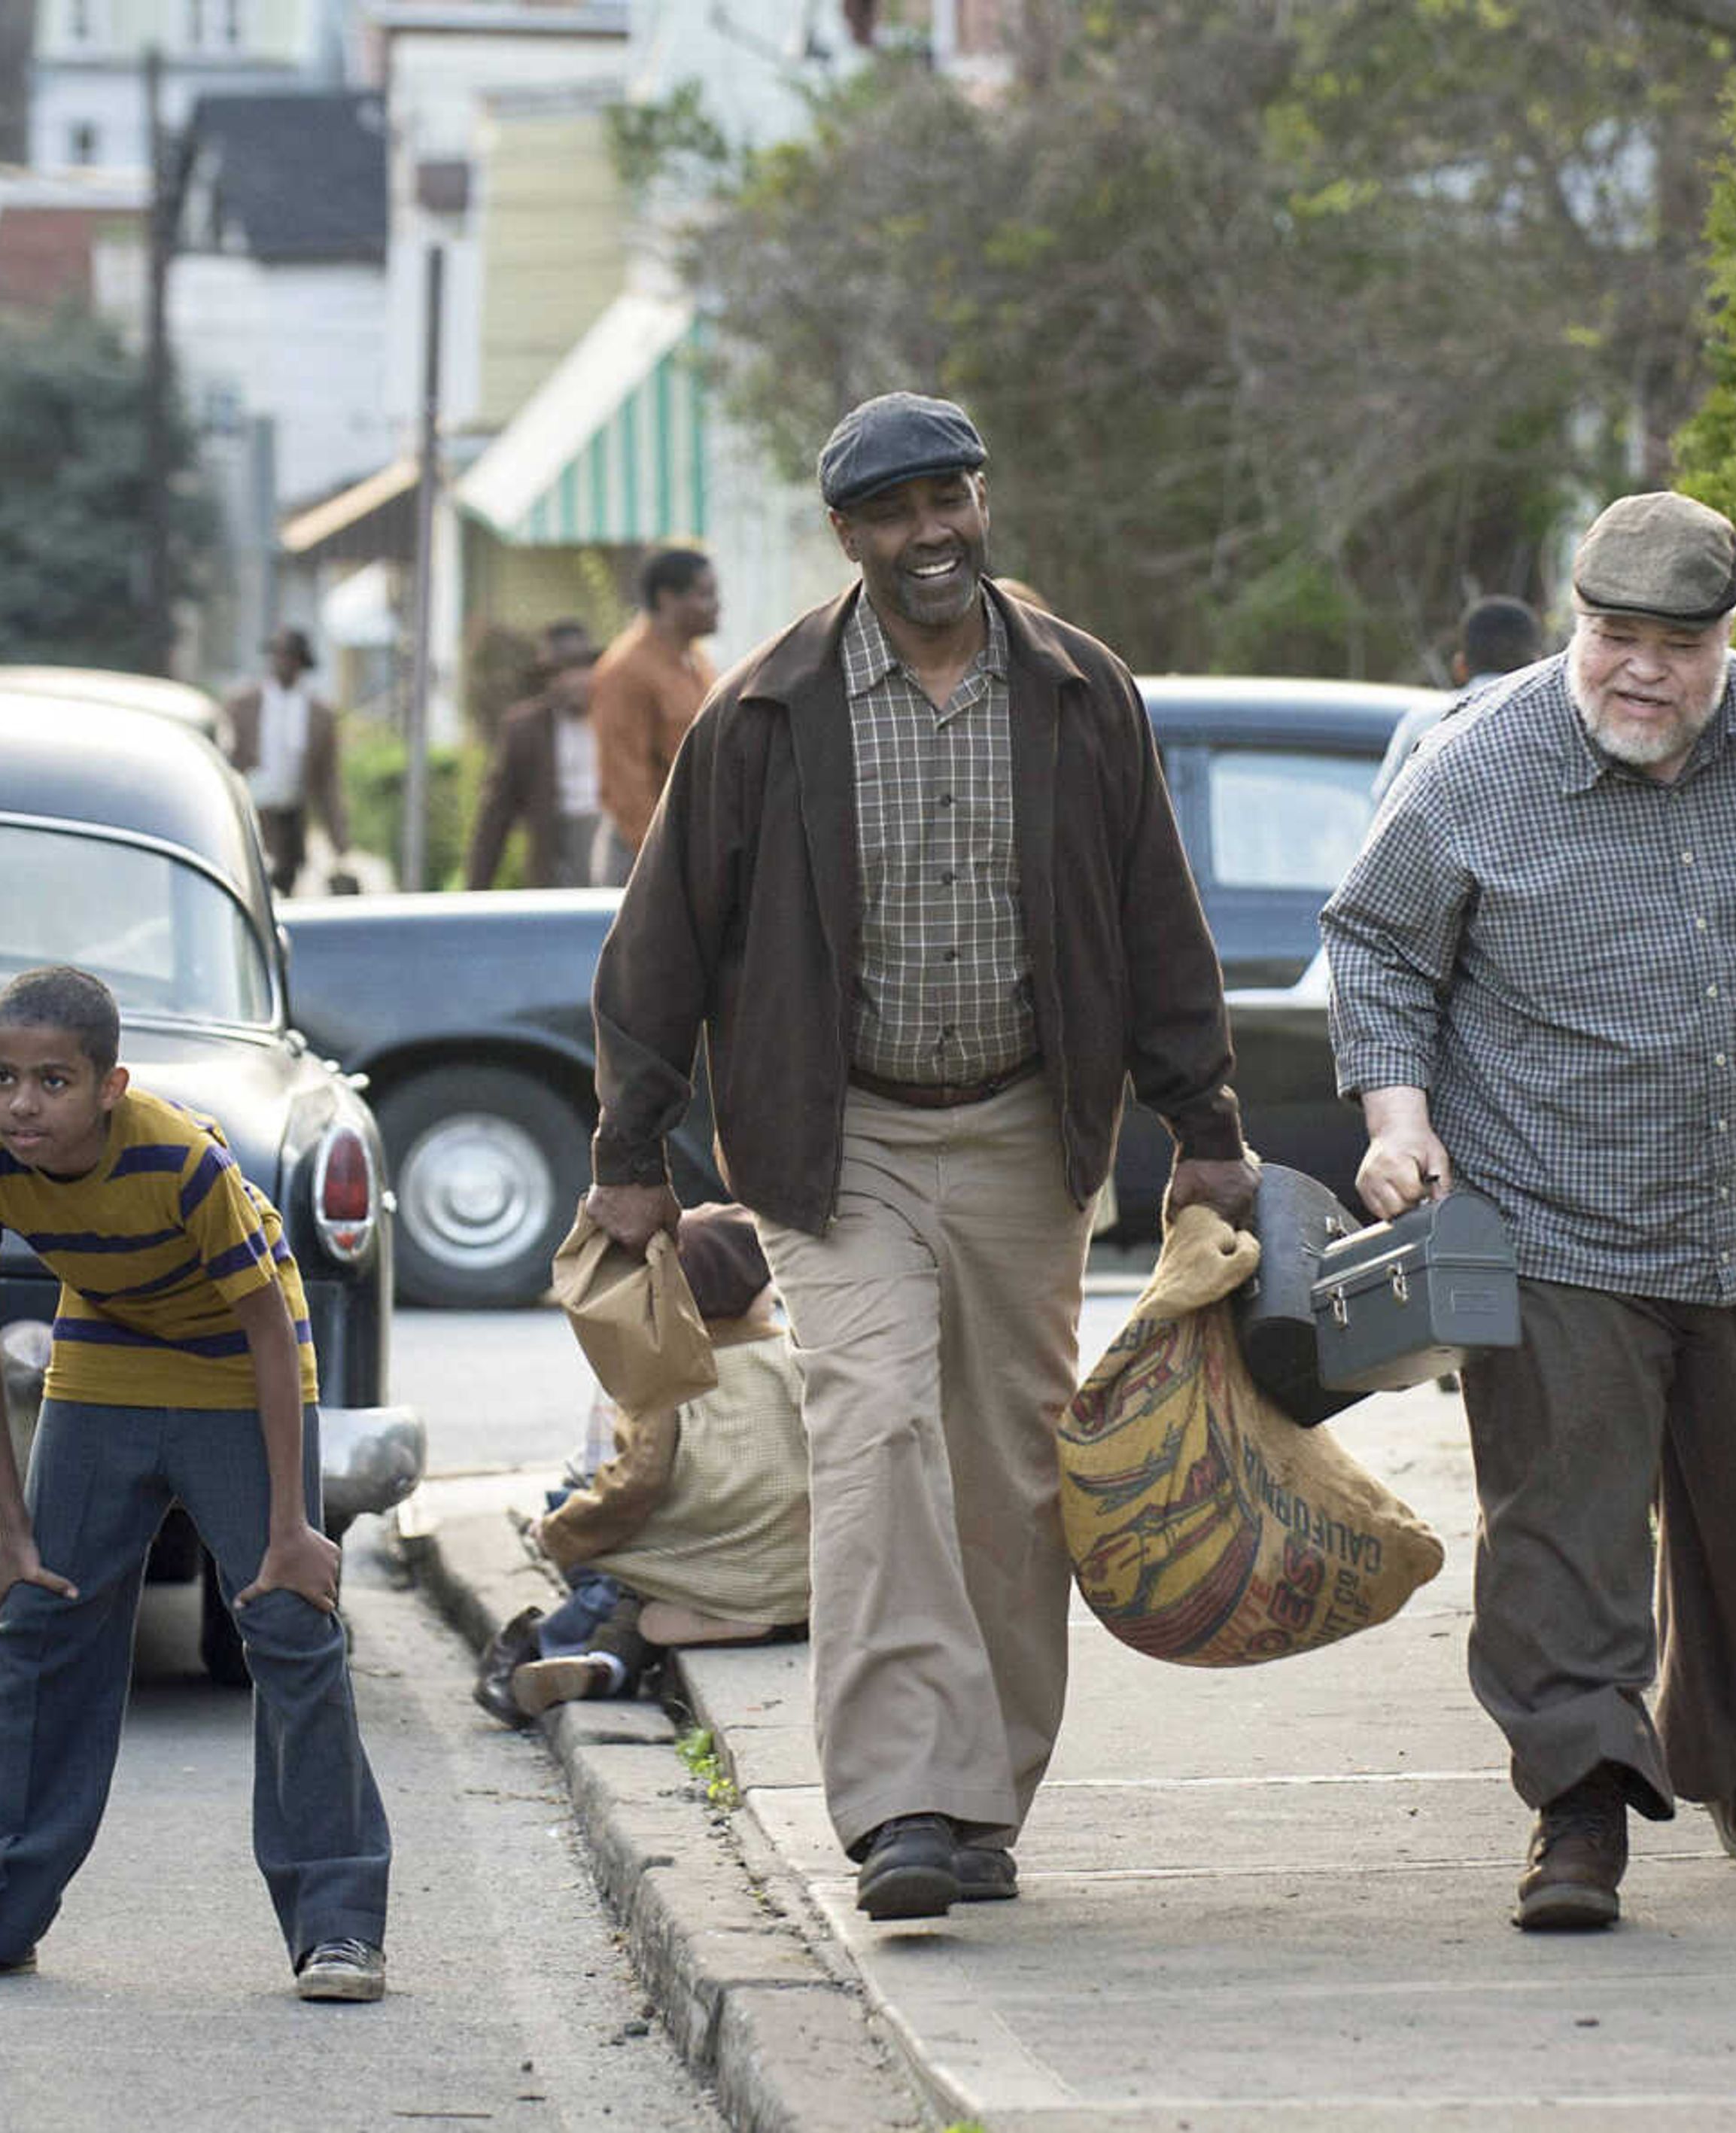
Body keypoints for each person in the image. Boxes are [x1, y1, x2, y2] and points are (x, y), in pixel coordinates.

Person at [580, 391, 1258, 1921]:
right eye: (894, 514)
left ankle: (988, 1793)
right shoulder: (766, 713)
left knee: (1013, 1467)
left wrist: (1203, 1127)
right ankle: (903, 1805)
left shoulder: (1082, 690)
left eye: (949, 498)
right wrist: (632, 1150)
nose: (930, 534)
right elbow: (660, 940)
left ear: (982, 501)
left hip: (1028, 1128)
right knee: (878, 1424)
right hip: (842, 1136)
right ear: (848, 537)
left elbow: (1158, 917)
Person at [1320, 490, 1736, 1934]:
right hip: (1555, 1222)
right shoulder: (1480, 764)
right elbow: (1377, 945)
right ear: (1576, 622)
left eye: (1675, 642)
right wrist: (1398, 1122)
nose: (1637, 668)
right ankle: (1578, 1799)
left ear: (1728, 640)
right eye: (1611, 634)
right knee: (1563, 1530)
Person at [0, 966, 391, 2001]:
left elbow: (270, 1324)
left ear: (110, 1084)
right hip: (104, 1352)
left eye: (52, 1080)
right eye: (3, 1076)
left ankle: (339, 1927)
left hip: (242, 1362)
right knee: (40, 1618)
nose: (21, 1102)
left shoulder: (180, 1160)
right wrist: (10, 1526)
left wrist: (291, 1527)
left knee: (288, 1623)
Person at [478, 1202, 812, 1721]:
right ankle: (618, 1658)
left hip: (698, 1559)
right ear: (755, 1290)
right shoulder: (795, 1359)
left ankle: (585, 1653)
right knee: (654, 1549)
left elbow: (636, 1483)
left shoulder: (665, 1376)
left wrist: (561, 1532)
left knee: (586, 1524)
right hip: (796, 1575)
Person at [587, 548, 721, 884]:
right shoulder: (626, 669)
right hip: (645, 854)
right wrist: (665, 862)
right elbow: (626, 784)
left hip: (689, 846)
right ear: (667, 599)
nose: (718, 605)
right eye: (705, 595)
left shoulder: (695, 660)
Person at [464, 619, 603, 889]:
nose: (576, 681)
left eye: (582, 669)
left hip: (614, 847)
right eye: (563, 672)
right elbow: (496, 815)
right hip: (557, 854)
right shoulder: (525, 729)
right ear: (548, 679)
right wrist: (475, 889)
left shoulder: (620, 717)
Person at [1369, 595, 1546, 802]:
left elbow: (1384, 802)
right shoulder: (1556, 726)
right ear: (1539, 665)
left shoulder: (1423, 724)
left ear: (1460, 667)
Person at [225, 627, 351, 896]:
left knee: (284, 883)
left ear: (301, 663)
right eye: (278, 655)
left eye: (290, 657)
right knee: (248, 880)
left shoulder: (319, 714)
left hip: (291, 815)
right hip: (253, 809)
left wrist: (339, 841)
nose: (283, 663)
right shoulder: (243, 704)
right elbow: (228, 758)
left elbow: (327, 780)